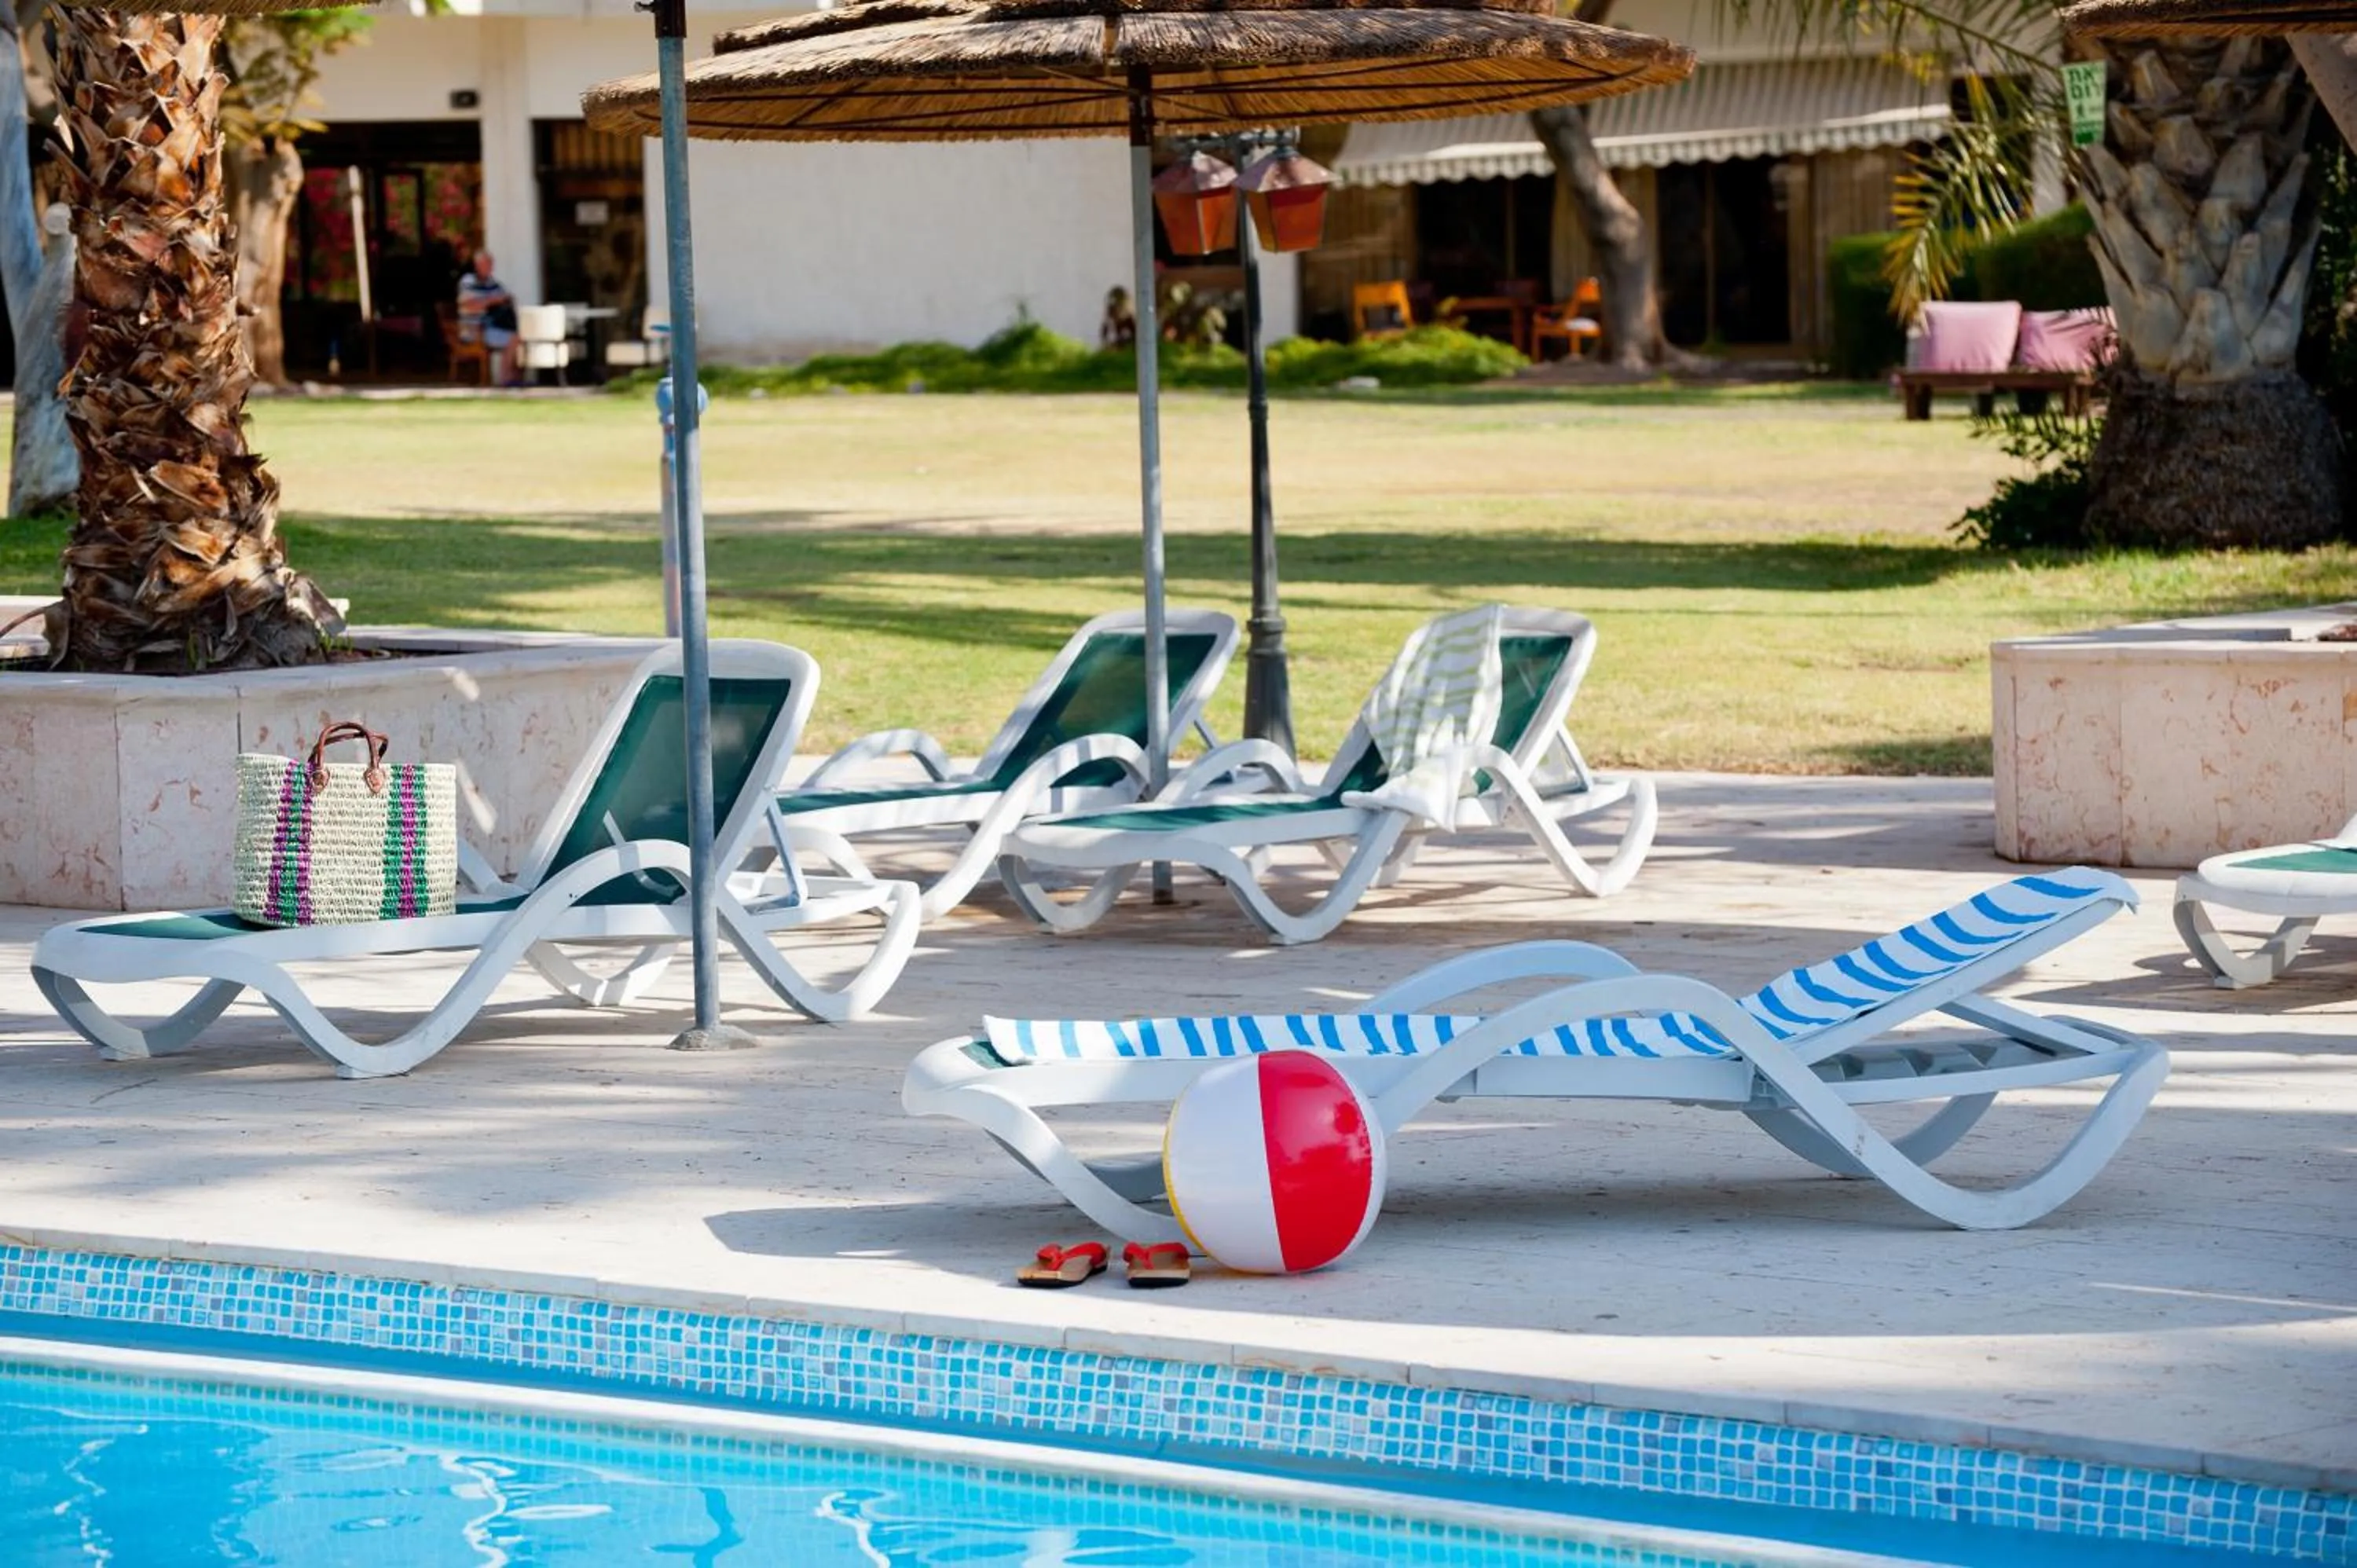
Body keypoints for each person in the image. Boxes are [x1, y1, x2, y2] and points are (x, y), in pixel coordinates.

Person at [457, 248, 519, 387]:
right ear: (478, 265)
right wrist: (493, 301)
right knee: (513, 339)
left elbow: (503, 297)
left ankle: (511, 378)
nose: (491, 268)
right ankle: (505, 379)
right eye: (487, 264)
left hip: (493, 326)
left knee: (517, 336)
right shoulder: (468, 282)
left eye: (491, 264)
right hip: (474, 331)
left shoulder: (493, 283)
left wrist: (505, 300)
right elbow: (469, 305)